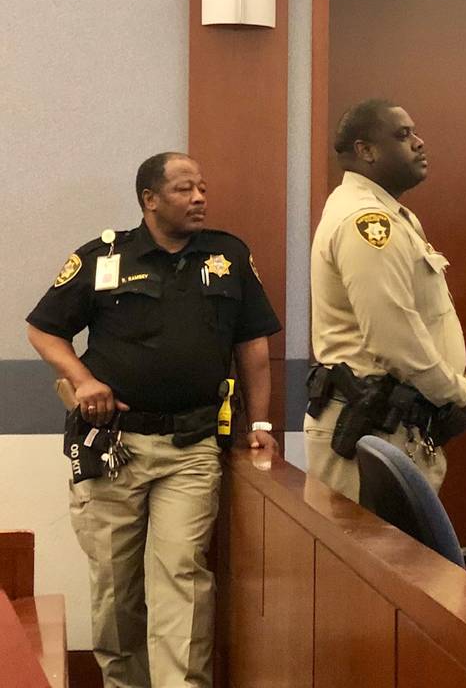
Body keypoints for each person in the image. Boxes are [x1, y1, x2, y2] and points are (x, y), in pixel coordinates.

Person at [26, 152, 281, 688]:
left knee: (182, 578)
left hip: (192, 447)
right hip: (114, 448)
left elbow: (252, 345)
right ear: (149, 200)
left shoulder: (228, 257)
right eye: (185, 189)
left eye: (203, 188)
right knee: (117, 586)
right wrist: (84, 380)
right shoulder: (103, 258)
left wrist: (260, 426)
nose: (200, 199)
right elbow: (44, 329)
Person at [307, 98, 466, 501]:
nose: (420, 143)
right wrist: (460, 392)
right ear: (366, 151)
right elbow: (393, 339)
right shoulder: (367, 223)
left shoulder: (394, 217)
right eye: (403, 135)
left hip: (395, 426)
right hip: (369, 430)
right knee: (369, 562)